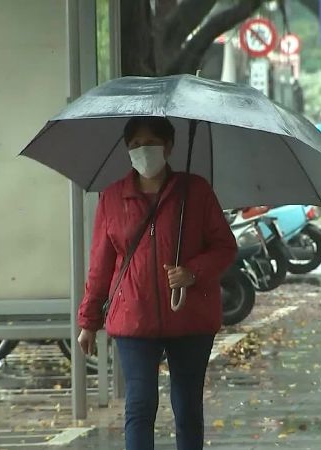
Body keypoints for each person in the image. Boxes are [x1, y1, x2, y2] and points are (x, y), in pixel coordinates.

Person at [77, 116, 237, 450]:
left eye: (150, 143)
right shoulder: (112, 197)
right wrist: (89, 321)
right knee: (139, 403)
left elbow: (225, 247)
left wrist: (193, 271)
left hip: (190, 316)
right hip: (134, 317)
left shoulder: (195, 191)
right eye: (135, 145)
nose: (142, 151)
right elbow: (101, 265)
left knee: (187, 405)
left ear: (168, 146)